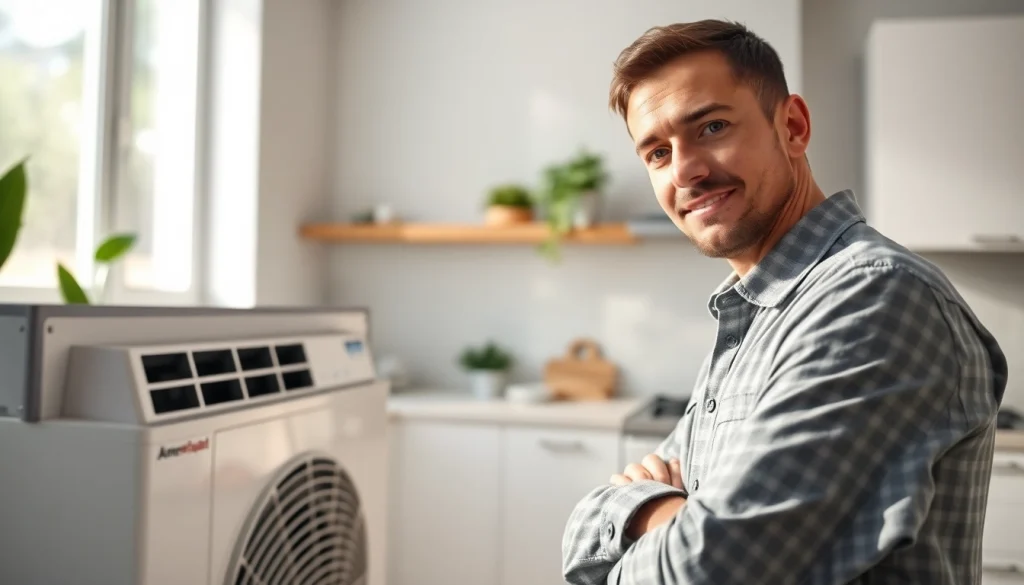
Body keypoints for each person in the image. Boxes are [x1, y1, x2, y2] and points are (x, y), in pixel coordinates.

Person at [561, 19, 1007, 585]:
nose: (685, 170)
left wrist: (640, 509)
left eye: (712, 126)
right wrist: (657, 514)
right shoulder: (758, 313)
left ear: (792, 126)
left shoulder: (871, 296)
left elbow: (711, 572)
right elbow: (579, 545)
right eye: (656, 152)